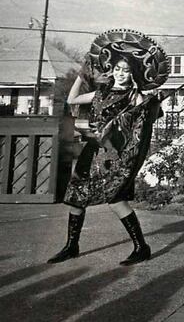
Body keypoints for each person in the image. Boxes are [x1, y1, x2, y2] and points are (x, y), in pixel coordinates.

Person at [47, 29, 168, 266]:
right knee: (76, 198)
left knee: (116, 199)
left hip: (115, 156)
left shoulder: (135, 96)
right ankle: (72, 246)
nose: (122, 74)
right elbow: (72, 100)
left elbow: (148, 117)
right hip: (92, 151)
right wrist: (82, 76)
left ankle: (141, 247)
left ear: (133, 74)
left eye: (127, 70)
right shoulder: (101, 91)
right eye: (119, 69)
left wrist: (152, 99)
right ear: (112, 70)